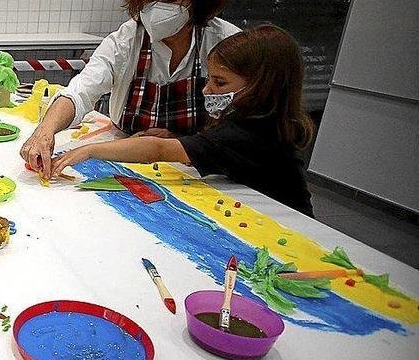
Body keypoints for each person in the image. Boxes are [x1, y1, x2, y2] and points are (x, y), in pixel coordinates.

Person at [22, 0, 240, 178]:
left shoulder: (226, 44)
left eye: (170, 0)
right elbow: (81, 90)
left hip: (198, 169)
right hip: (121, 158)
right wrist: (45, 130)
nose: (156, 9)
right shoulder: (127, 40)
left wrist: (181, 143)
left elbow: (240, 126)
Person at [50, 25, 315, 217]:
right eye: (208, 79)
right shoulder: (258, 120)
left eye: (220, 83)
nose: (206, 90)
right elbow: (210, 151)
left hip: (292, 225)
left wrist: (87, 150)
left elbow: (157, 150)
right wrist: (181, 142)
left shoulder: (247, 132)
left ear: (261, 86)